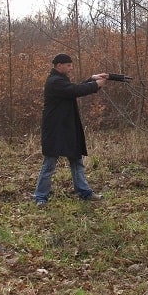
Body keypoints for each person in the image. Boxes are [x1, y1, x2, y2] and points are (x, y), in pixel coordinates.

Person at [33, 53, 108, 207]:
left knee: (76, 161)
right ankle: (40, 197)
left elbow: (73, 88)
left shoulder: (59, 80)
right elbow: (74, 90)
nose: (71, 68)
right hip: (55, 130)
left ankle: (84, 192)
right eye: (68, 65)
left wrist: (92, 79)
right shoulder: (55, 82)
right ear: (59, 65)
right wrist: (95, 85)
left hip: (66, 129)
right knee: (49, 164)